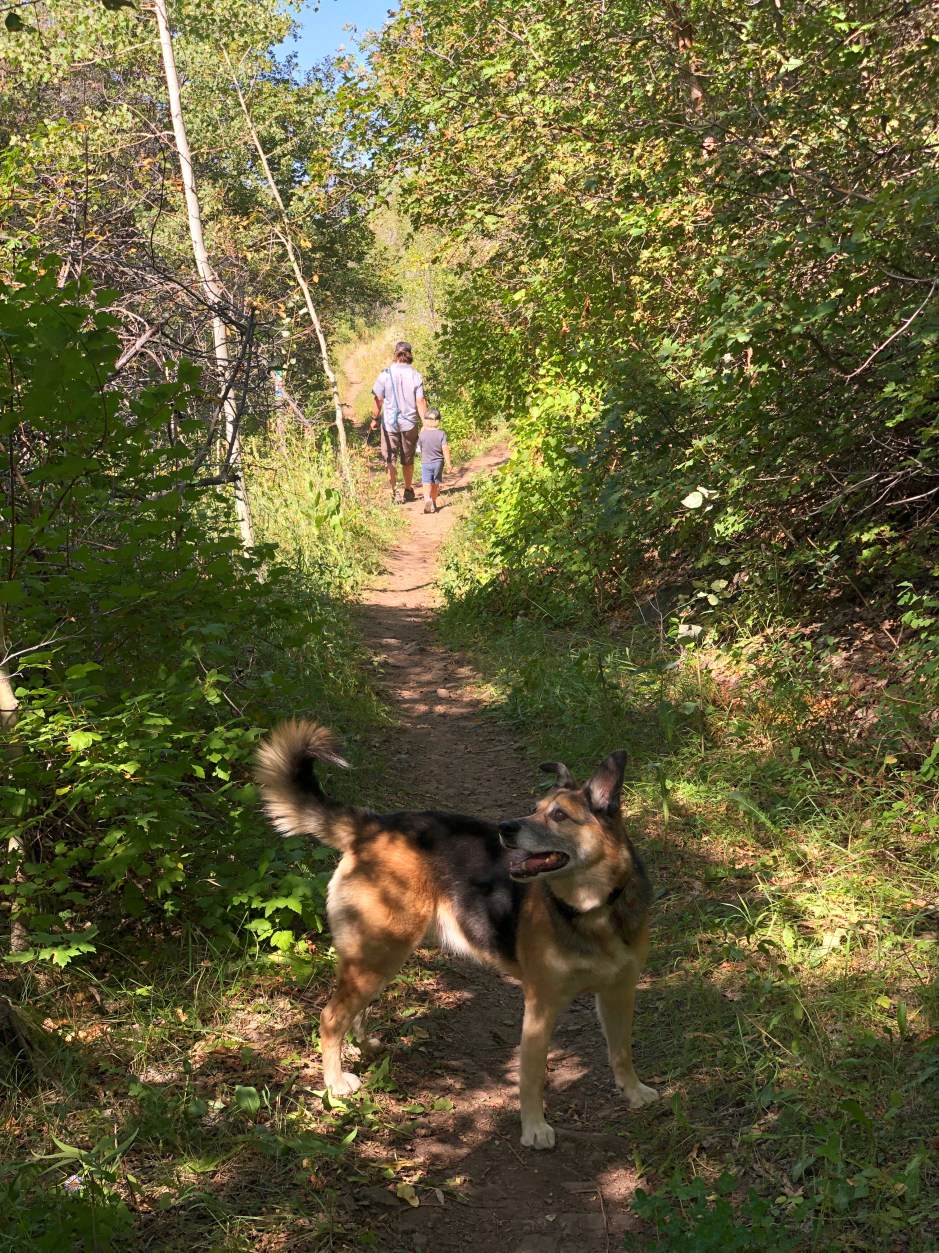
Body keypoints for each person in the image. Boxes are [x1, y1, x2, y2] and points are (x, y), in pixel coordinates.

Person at [370, 341, 428, 503]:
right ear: (410, 355)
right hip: (409, 423)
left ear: (395, 354)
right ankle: (408, 489)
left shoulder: (384, 374)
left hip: (390, 424)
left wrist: (374, 419)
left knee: (390, 458)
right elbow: (420, 402)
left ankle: (394, 492)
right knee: (408, 459)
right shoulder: (416, 375)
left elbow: (378, 399)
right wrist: (426, 423)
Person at [417, 408, 452, 513]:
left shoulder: (422, 435)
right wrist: (449, 463)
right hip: (438, 463)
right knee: (435, 484)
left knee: (426, 483)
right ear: (438, 421)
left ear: (425, 421)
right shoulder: (441, 434)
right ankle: (433, 502)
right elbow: (445, 449)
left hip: (426, 463)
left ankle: (427, 499)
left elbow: (418, 450)